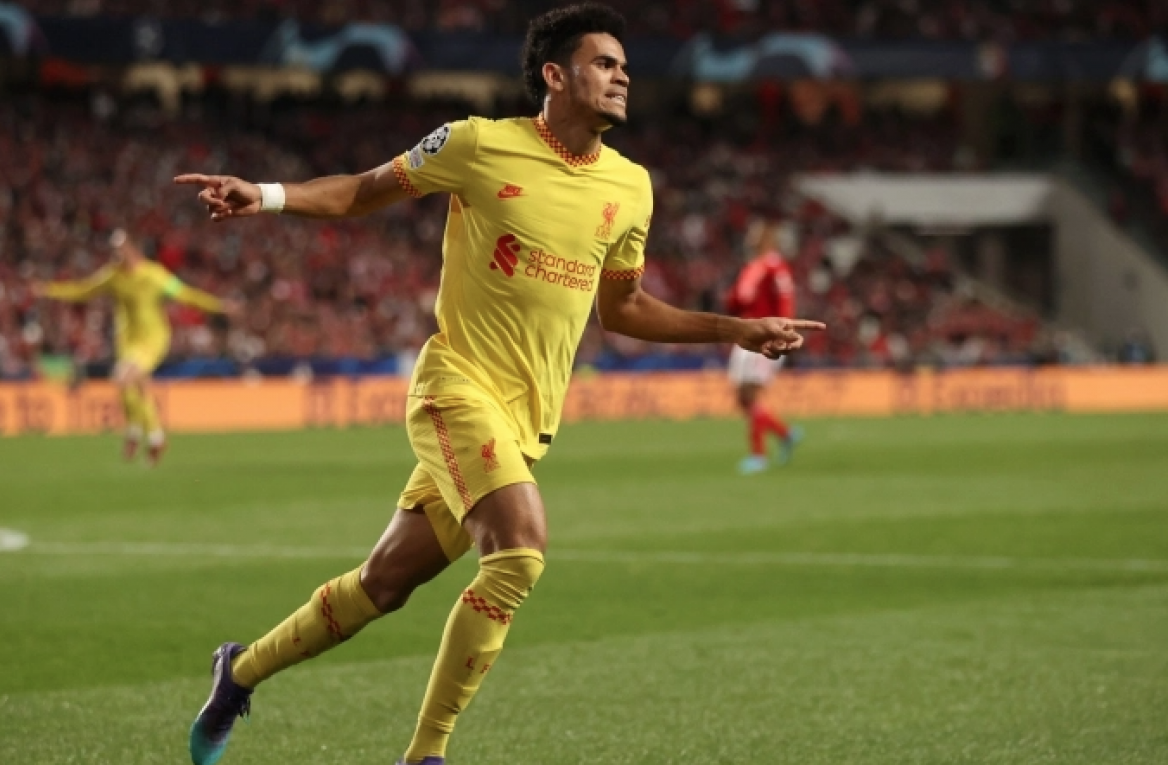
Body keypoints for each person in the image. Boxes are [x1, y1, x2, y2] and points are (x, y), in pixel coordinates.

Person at [174, 5, 824, 764]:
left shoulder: (631, 187)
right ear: (556, 75)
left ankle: (239, 670)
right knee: (519, 552)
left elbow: (622, 309)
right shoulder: (477, 143)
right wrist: (266, 194)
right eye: (604, 63)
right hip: (455, 387)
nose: (622, 76)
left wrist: (736, 329)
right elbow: (361, 191)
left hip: (523, 422)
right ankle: (426, 754)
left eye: (624, 65)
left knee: (382, 585)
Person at [34, 228, 240, 465]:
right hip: (128, 341)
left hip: (153, 339)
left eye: (120, 249)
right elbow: (84, 290)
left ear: (132, 249)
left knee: (124, 378)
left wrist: (219, 306)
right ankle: (141, 434)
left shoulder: (154, 275)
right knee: (130, 386)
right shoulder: (113, 276)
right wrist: (49, 290)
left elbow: (186, 295)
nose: (116, 254)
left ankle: (151, 435)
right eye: (114, 250)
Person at [725, 219, 803, 475]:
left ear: (767, 238)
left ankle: (758, 455)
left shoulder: (776, 267)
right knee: (742, 398)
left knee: (752, 394)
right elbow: (737, 301)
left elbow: (785, 300)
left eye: (755, 233)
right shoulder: (752, 267)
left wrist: (783, 334)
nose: (750, 236)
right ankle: (785, 433)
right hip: (745, 334)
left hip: (765, 338)